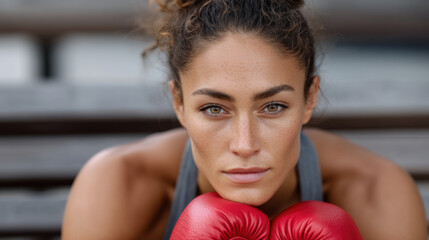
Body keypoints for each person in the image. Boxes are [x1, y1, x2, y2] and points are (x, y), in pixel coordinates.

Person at [62, 0, 427, 239]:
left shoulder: (377, 192)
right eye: (214, 109)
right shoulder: (118, 185)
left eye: (273, 107)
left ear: (309, 98)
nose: (244, 144)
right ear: (178, 103)